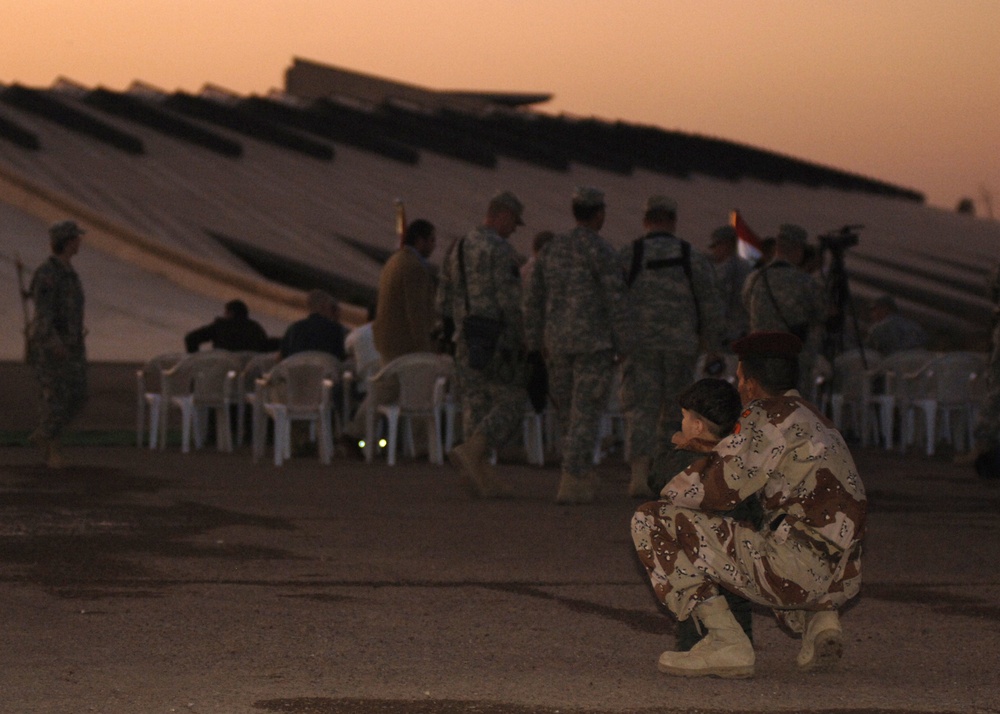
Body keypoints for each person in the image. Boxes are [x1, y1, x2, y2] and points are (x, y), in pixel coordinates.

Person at [631, 331, 866, 678]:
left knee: (650, 520)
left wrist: (679, 455)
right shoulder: (815, 417)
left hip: (797, 569)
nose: (738, 387)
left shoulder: (764, 418)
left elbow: (710, 491)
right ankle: (819, 619)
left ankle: (726, 641)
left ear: (752, 384)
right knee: (767, 525)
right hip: (841, 573)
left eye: (739, 378)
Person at [523, 187, 628, 503]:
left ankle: (579, 474)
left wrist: (534, 340)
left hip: (557, 343)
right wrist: (625, 343)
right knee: (586, 412)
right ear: (599, 214)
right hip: (593, 345)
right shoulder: (602, 251)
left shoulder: (553, 249)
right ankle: (572, 479)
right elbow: (616, 300)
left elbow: (533, 297)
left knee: (569, 413)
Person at [619, 195, 724, 498]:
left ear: (646, 219)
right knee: (674, 413)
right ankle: (664, 475)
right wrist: (711, 344)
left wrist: (620, 340)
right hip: (681, 347)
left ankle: (638, 475)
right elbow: (710, 303)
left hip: (641, 348)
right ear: (673, 220)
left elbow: (615, 299)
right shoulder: (691, 255)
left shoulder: (630, 254)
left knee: (641, 410)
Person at [646, 378, 760, 653]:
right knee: (736, 599)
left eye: (684, 418)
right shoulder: (745, 458)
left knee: (656, 523)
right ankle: (741, 640)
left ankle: (697, 642)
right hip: (747, 558)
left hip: (707, 559)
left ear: (697, 426)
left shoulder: (684, 463)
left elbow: (655, 477)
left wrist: (682, 449)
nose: (681, 423)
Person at [438, 190, 529, 498]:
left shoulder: (458, 247)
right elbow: (510, 300)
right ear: (501, 215)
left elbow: (443, 298)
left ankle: (476, 477)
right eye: (514, 222)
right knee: (513, 401)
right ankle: (475, 451)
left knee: (475, 406)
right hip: (496, 338)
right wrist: (522, 337)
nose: (514, 229)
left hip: (465, 336)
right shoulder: (500, 250)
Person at [26, 220, 88, 468]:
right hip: (51, 347)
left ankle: (45, 435)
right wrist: (54, 342)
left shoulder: (70, 273)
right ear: (68, 241)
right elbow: (43, 315)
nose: (79, 242)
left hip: (73, 344)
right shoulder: (48, 274)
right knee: (54, 398)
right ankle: (51, 446)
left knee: (77, 394)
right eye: (76, 238)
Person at [741, 223, 826, 395]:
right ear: (798, 250)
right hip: (793, 363)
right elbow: (822, 315)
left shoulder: (754, 279)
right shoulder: (805, 282)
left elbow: (746, 308)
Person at [372, 218, 438, 363]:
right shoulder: (414, 267)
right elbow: (416, 312)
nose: (435, 246)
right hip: (405, 349)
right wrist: (425, 352)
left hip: (387, 345)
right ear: (420, 241)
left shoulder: (393, 261)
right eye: (432, 240)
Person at [706, 225, 753, 348]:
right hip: (739, 332)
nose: (714, 251)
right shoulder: (746, 268)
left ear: (728, 244)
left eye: (717, 246)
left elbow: (722, 301)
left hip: (731, 334)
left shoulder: (732, 268)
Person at [279, 289, 348, 360]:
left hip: (295, 370)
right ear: (324, 306)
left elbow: (280, 359)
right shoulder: (338, 330)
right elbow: (342, 358)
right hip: (326, 370)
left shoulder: (293, 328)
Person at [184, 299, 271, 353]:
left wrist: (196, 358)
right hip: (246, 377)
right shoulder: (256, 329)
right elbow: (266, 346)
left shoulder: (222, 325)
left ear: (230, 313)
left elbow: (191, 338)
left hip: (220, 372)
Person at [864, 294, 928, 356]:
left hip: (896, 362)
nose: (872, 314)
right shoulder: (913, 325)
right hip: (920, 360)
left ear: (885, 309)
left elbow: (869, 352)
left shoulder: (878, 328)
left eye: (874, 309)